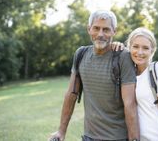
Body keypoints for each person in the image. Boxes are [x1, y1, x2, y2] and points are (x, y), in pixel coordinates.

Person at [49, 10, 140, 141]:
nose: (100, 34)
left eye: (106, 30)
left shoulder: (123, 57)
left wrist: (134, 139)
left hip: (117, 138)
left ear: (114, 31)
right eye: (96, 28)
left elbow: (130, 104)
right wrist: (61, 131)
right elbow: (71, 94)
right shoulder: (80, 54)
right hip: (89, 137)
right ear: (89, 29)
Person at [125, 27, 158, 141]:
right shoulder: (129, 74)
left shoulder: (157, 68)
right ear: (129, 47)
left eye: (145, 48)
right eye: (135, 46)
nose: (140, 52)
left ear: (152, 50)